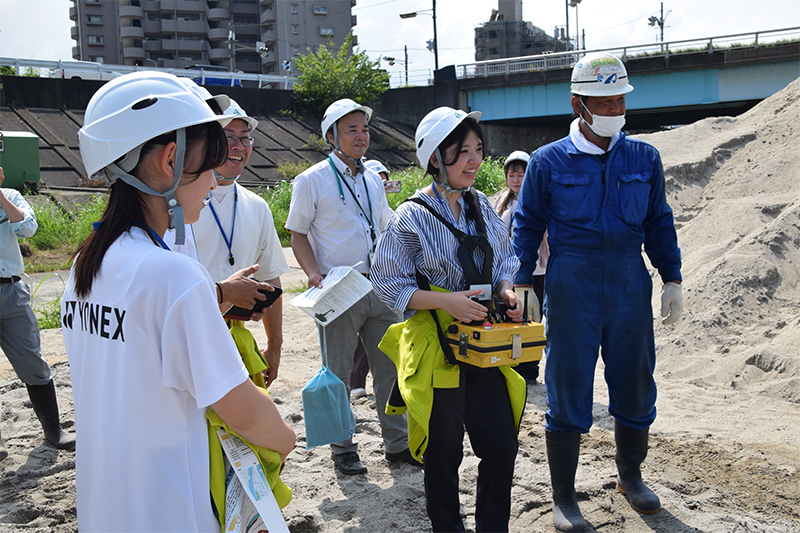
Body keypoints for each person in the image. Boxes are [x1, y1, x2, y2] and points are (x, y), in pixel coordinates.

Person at [62, 71, 295, 531]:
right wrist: (285, 439)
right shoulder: (174, 276)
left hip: (105, 504)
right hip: (169, 508)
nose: (213, 183)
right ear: (171, 161)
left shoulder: (87, 262)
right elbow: (242, 408)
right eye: (210, 165)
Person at [512, 52, 684, 532]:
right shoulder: (547, 162)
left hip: (630, 280)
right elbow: (526, 226)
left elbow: (658, 220)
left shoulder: (643, 157)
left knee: (634, 381)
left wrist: (671, 277)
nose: (613, 111)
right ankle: (564, 497)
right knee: (567, 386)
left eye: (618, 101)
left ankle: (630, 475)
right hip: (572, 282)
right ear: (578, 104)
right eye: (603, 103)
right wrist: (522, 283)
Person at [370, 107, 527, 532]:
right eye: (462, 152)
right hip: (437, 348)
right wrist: (445, 303)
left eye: (477, 150)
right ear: (435, 158)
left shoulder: (482, 207)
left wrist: (506, 291)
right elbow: (387, 282)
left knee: (500, 445)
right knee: (443, 452)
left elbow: (505, 259)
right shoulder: (411, 216)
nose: (474, 160)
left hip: (483, 344)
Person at [286, 98, 415, 474]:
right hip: (339, 288)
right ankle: (343, 448)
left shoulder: (373, 178)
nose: (361, 136)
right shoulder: (311, 180)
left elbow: (386, 225)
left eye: (364, 128)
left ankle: (397, 444)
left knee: (391, 368)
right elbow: (296, 234)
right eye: (351, 130)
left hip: (380, 283)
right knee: (338, 372)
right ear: (332, 136)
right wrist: (313, 274)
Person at [172, 99, 289, 388]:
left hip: (235, 332)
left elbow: (270, 276)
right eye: (228, 137)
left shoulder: (257, 206)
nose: (238, 146)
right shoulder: (177, 204)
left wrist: (274, 344)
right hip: (187, 335)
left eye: (245, 138)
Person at [0, 167, 76, 460]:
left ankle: (54, 431)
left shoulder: (10, 196)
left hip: (12, 291)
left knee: (33, 361)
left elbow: (28, 228)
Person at [493, 150, 547, 383]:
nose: (516, 180)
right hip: (508, 271)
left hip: (538, 270)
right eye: (512, 175)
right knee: (512, 317)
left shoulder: (541, 199)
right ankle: (512, 364)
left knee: (533, 319)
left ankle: (529, 368)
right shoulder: (500, 200)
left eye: (522, 175)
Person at [348, 158, 391, 400]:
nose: (382, 184)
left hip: (382, 277)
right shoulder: (352, 200)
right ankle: (355, 381)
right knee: (356, 337)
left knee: (379, 335)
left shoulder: (382, 206)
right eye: (379, 180)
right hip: (354, 279)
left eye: (385, 180)